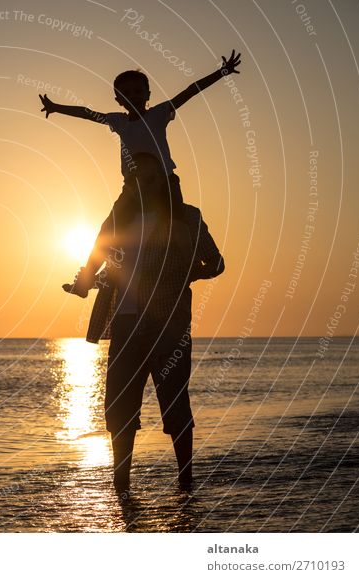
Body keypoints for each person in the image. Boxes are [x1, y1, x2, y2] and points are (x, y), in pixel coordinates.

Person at [38, 50, 240, 297]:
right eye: (126, 93)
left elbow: (190, 91)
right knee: (107, 230)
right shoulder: (119, 122)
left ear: (147, 95)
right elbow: (87, 113)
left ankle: (192, 265)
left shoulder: (158, 114)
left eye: (138, 91)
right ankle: (86, 281)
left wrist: (222, 73)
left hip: (164, 183)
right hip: (133, 187)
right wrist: (56, 107)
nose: (133, 96)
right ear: (118, 100)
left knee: (177, 223)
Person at [81, 152, 225, 497]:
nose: (141, 185)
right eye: (135, 180)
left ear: (164, 180)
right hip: (126, 325)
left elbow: (217, 262)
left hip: (168, 326)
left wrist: (190, 272)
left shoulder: (187, 217)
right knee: (118, 407)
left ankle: (186, 483)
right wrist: (83, 283)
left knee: (175, 403)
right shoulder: (119, 220)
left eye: (149, 179)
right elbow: (99, 258)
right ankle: (121, 486)